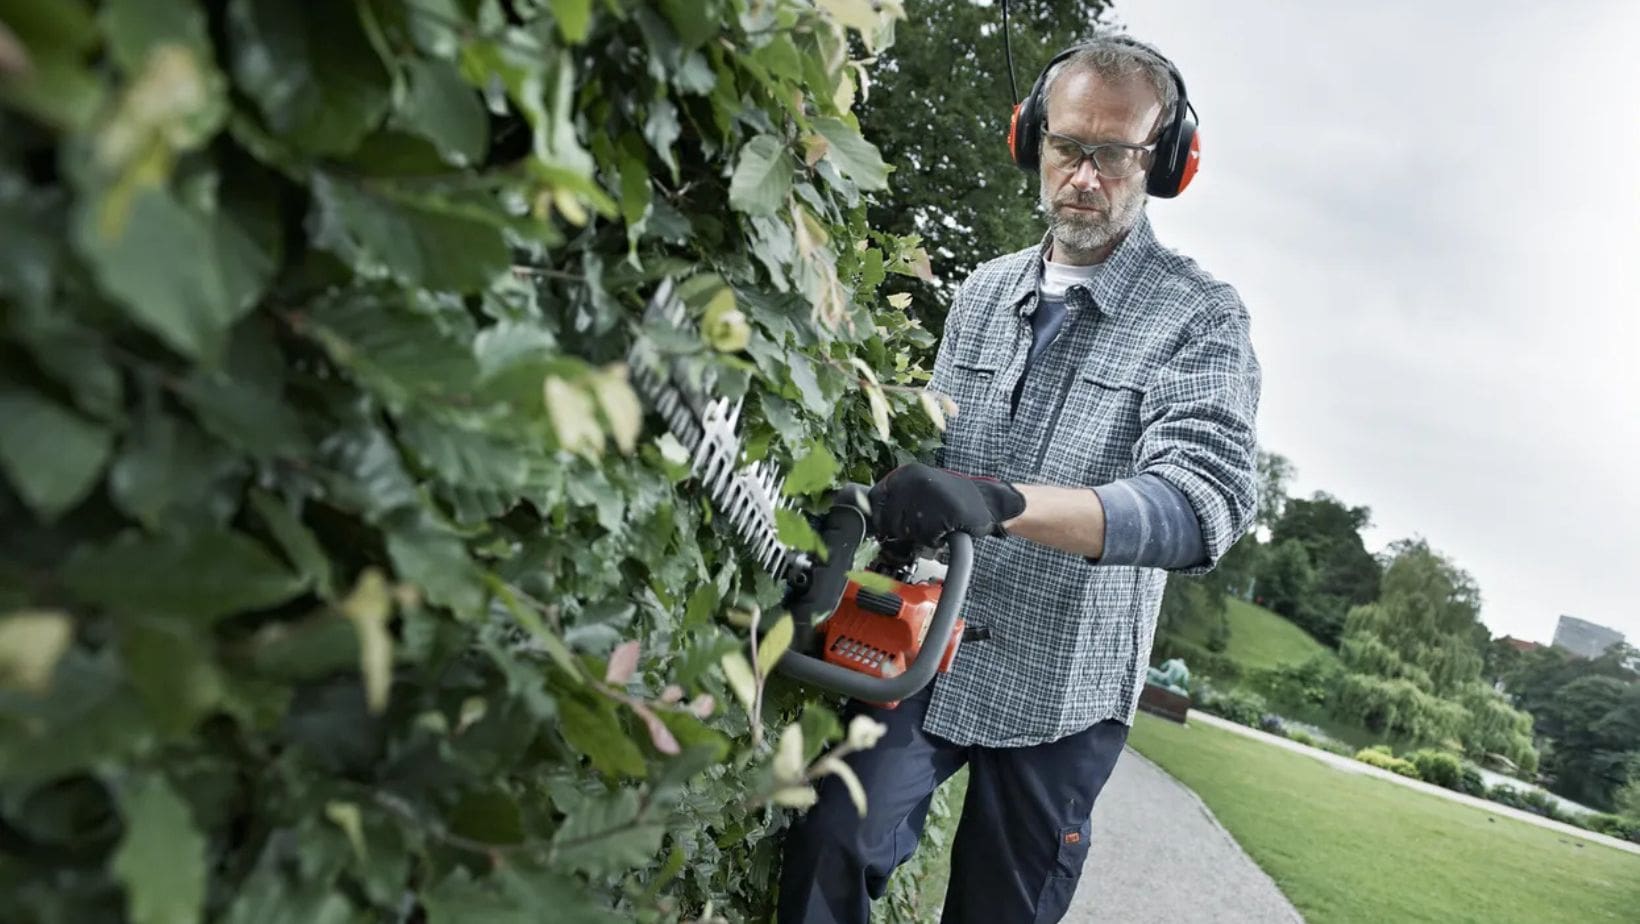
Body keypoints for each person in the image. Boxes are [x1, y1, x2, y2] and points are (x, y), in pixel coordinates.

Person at [777, 32, 1261, 924]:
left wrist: (1003, 504)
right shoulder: (984, 292)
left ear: (1165, 164)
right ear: (1030, 136)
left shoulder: (1201, 318)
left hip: (1066, 687)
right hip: (930, 649)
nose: (1084, 175)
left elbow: (1201, 501)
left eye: (1114, 154)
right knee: (828, 847)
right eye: (1068, 145)